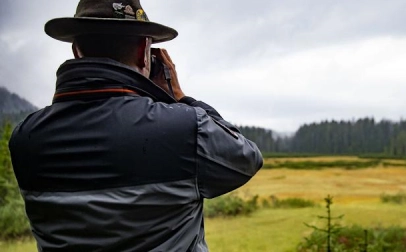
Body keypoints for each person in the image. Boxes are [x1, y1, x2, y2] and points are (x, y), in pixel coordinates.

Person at [8, 0, 263, 251]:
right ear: (144, 51)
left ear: (76, 50)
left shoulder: (25, 138)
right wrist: (179, 95)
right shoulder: (185, 128)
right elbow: (246, 157)